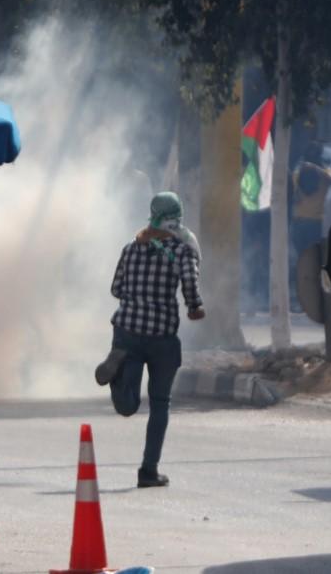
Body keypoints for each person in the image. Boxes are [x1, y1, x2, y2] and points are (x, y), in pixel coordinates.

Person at [95, 191, 204, 488]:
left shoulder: (131, 248)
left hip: (127, 332)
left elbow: (116, 288)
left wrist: (137, 296)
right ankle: (148, 471)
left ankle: (118, 378)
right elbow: (191, 286)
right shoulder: (182, 250)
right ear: (176, 218)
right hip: (161, 336)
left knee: (128, 406)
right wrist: (195, 307)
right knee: (159, 403)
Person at [290, 142, 331, 311]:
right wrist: (316, 168)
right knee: (313, 263)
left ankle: (305, 299)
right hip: (311, 224)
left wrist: (310, 167)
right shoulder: (323, 173)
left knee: (304, 262)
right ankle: (311, 298)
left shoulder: (300, 172)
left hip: (301, 224)